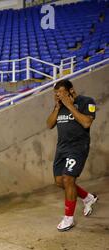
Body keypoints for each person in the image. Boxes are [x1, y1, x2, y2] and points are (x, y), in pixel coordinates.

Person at [46, 79, 98, 231]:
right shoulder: (59, 106)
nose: (58, 96)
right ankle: (88, 198)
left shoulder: (86, 101)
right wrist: (57, 107)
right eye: (56, 94)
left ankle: (68, 219)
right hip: (61, 148)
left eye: (61, 93)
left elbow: (87, 123)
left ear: (71, 91)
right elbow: (49, 125)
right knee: (59, 181)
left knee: (68, 179)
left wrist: (69, 105)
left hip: (78, 147)